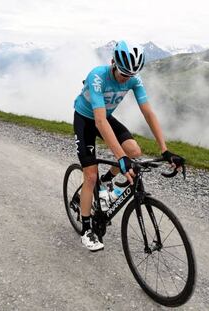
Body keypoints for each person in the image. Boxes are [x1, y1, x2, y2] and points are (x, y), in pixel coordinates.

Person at [73, 40, 185, 252]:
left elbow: (148, 112)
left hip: (105, 117)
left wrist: (165, 149)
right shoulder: (97, 76)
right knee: (90, 176)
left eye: (130, 75)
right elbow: (99, 122)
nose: (125, 78)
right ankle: (87, 229)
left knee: (134, 151)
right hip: (86, 119)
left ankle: (106, 183)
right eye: (123, 73)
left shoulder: (134, 79)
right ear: (113, 62)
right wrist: (120, 158)